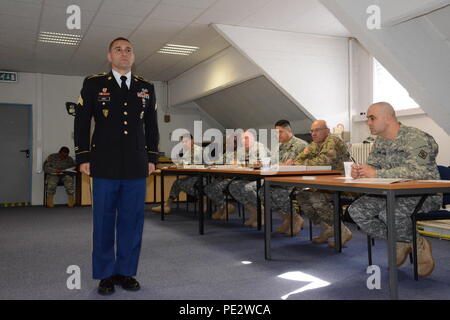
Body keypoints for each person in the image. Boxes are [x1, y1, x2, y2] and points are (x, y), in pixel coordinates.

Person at [74, 37, 159, 295]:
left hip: (136, 164)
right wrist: (83, 156)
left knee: (132, 222)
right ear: (109, 55)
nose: (124, 53)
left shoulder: (146, 87)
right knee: (103, 221)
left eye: (129, 50)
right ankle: (105, 275)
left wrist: (152, 158)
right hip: (104, 164)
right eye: (118, 50)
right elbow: (82, 122)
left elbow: (152, 126)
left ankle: (125, 272)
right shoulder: (94, 83)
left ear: (133, 56)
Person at [348, 102, 441, 277]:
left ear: (388, 117)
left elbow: (418, 172)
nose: (368, 122)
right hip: (390, 192)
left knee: (389, 214)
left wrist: (376, 173)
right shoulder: (380, 141)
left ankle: (415, 243)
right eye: (367, 118)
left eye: (372, 118)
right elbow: (373, 167)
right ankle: (404, 239)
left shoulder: (417, 139)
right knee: (357, 211)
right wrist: (361, 171)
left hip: (422, 193)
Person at [246, 120, 307, 233]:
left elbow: (297, 165)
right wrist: (261, 163)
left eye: (280, 132)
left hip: (293, 181)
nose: (278, 135)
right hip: (277, 179)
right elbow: (272, 162)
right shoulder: (277, 146)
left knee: (272, 192)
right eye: (276, 133)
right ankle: (287, 218)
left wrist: (278, 164)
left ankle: (296, 218)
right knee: (262, 192)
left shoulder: (301, 145)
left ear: (289, 131)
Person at [151, 133, 203, 214]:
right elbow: (182, 163)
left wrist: (181, 165)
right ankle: (167, 205)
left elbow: (194, 165)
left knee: (178, 182)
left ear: (192, 141)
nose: (184, 144)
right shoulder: (187, 152)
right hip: (193, 177)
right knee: (178, 182)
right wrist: (173, 166)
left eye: (186, 141)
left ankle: (167, 205)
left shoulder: (199, 150)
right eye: (182, 142)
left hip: (201, 177)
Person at [228, 130, 270, 227]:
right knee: (233, 186)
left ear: (253, 138)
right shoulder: (241, 149)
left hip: (264, 177)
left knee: (248, 188)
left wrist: (242, 163)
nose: (243, 141)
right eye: (242, 138)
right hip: (250, 177)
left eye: (246, 138)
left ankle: (262, 212)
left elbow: (261, 163)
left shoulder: (259, 147)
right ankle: (254, 212)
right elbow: (236, 162)